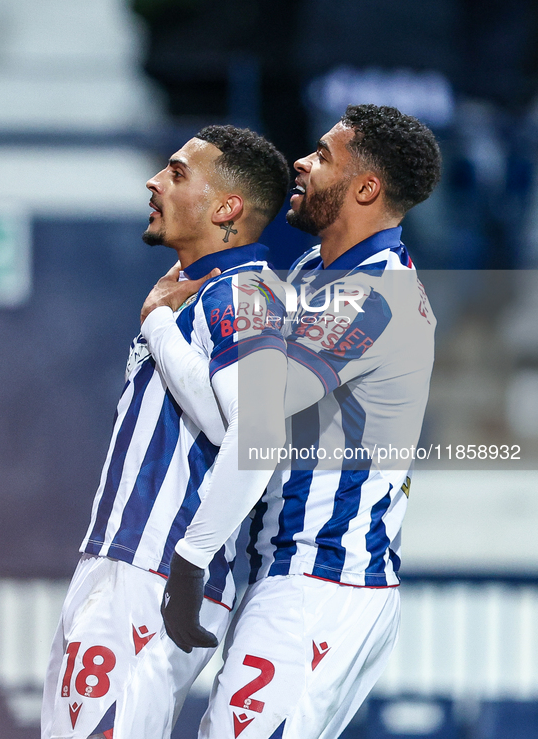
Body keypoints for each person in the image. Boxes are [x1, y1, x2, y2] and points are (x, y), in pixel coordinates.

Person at [140, 104, 442, 739]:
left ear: (366, 189)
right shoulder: (313, 272)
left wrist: (160, 324)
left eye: (324, 156)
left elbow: (250, 424)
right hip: (300, 575)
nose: (301, 163)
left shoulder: (371, 295)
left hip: (320, 579)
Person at [41, 125, 291, 739]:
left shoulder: (248, 291)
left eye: (178, 173)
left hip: (154, 571)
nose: (154, 182)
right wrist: (160, 321)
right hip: (123, 562)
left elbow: (255, 437)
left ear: (227, 207)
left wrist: (157, 327)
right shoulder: (194, 296)